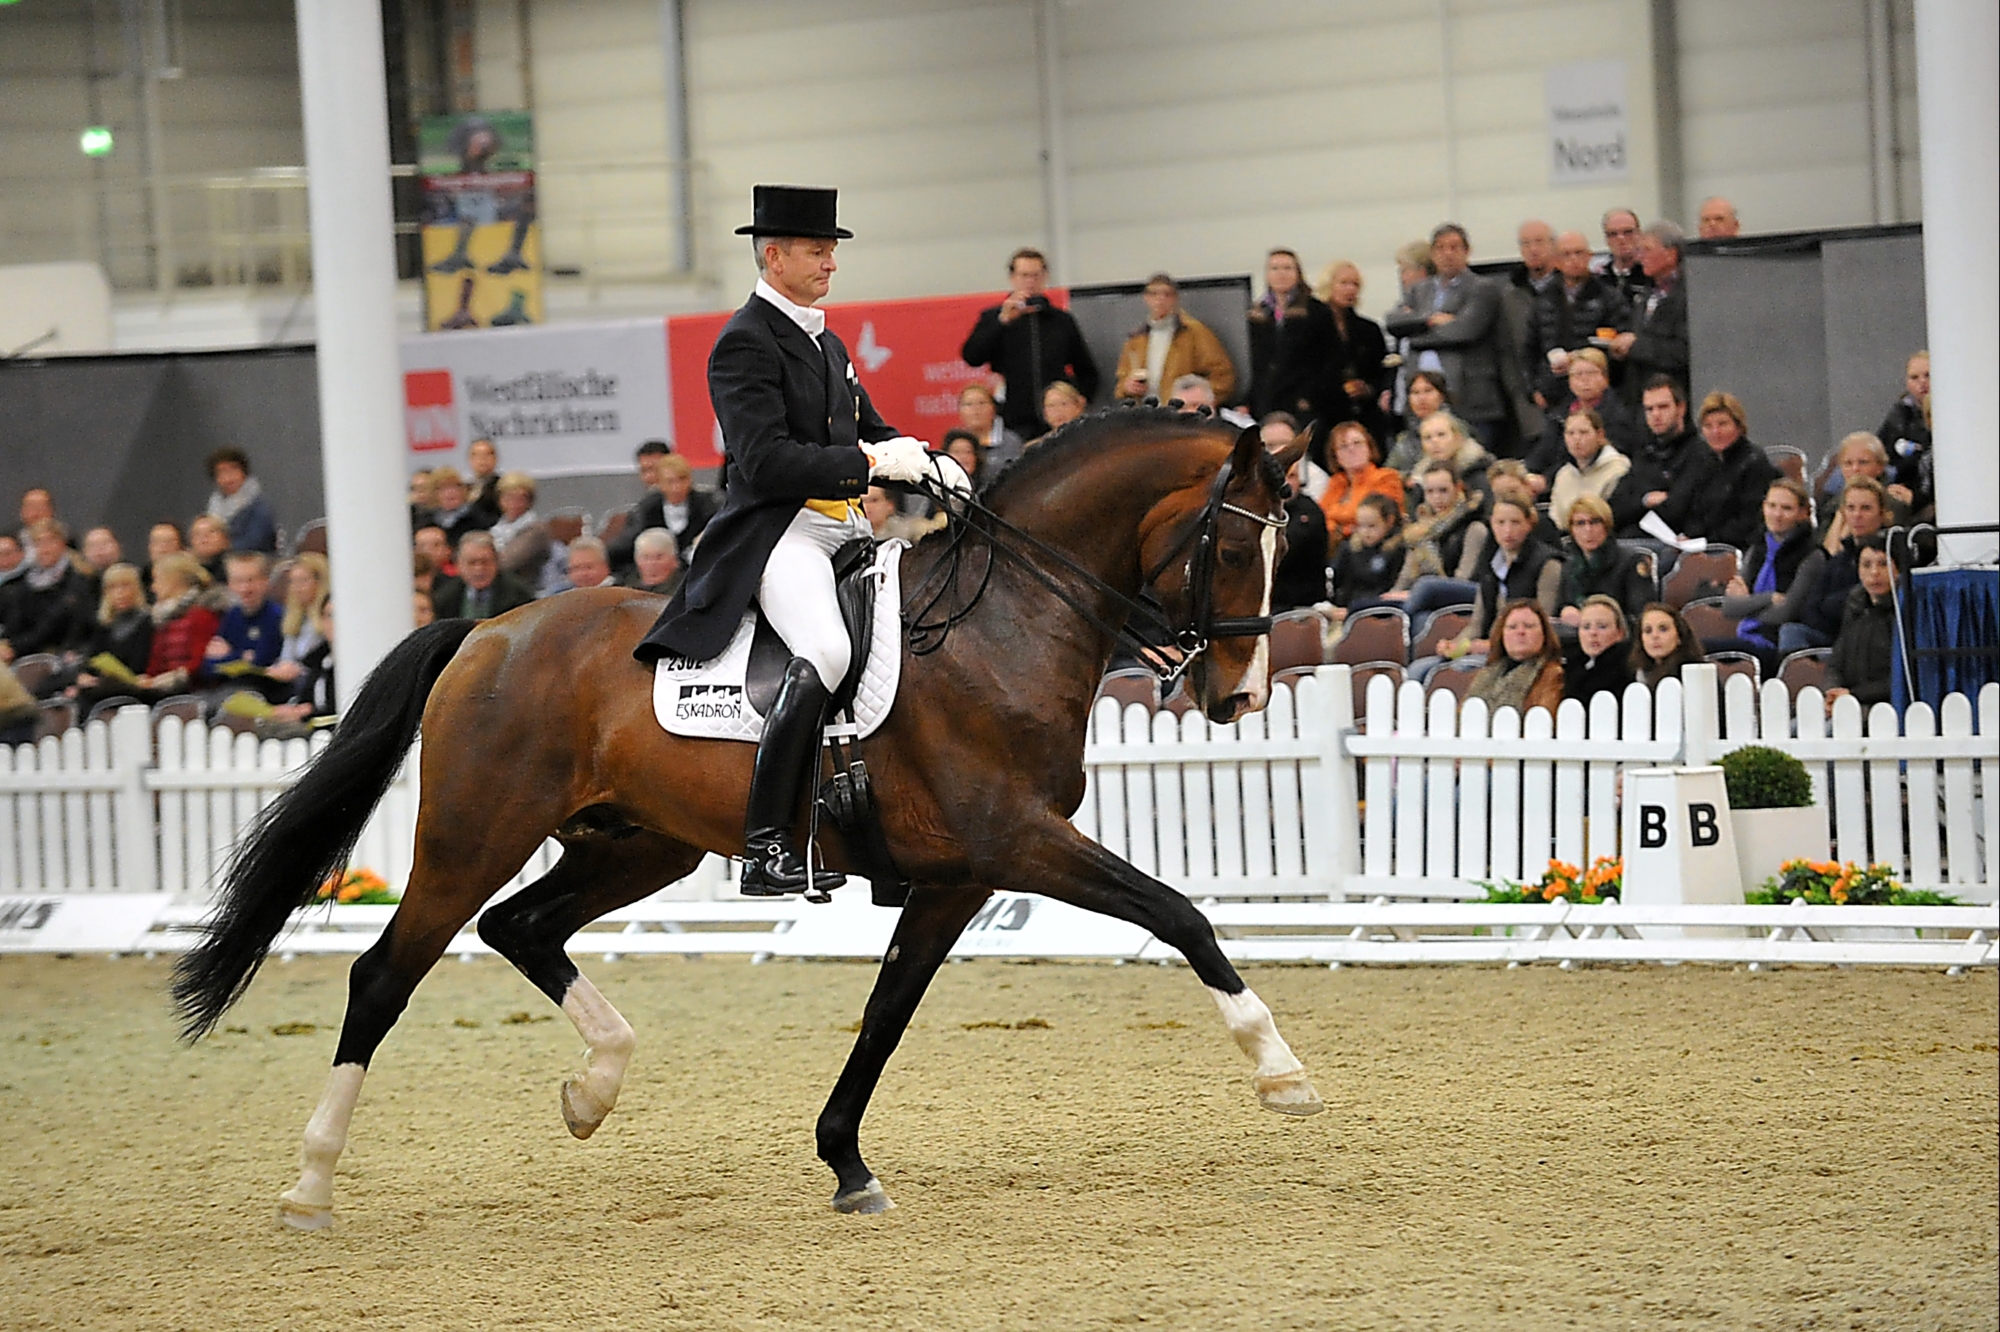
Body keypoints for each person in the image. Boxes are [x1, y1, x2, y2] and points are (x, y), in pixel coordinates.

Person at [634, 185, 960, 898]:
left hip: (848, 529)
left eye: (833, 251)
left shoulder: (827, 340)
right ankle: (766, 844)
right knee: (827, 650)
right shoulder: (743, 343)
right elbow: (767, 461)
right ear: (774, 255)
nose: (831, 264)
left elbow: (867, 429)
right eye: (818, 251)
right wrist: (876, 465)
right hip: (781, 532)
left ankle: (880, 831)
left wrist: (928, 461)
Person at [1384, 224, 1508, 453]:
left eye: (1454, 247)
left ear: (1467, 251)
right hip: (1423, 403)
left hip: (1469, 399)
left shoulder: (1483, 288)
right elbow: (1393, 322)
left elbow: (1464, 330)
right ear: (1432, 254)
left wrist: (1415, 333)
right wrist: (1430, 320)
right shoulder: (1418, 290)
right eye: (1440, 248)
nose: (1447, 253)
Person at [960, 246, 1100, 439]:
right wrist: (1002, 322)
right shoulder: (994, 317)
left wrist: (1078, 399)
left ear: (1045, 277)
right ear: (1013, 278)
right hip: (1012, 419)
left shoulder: (1061, 320)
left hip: (1055, 418)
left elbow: (1087, 370)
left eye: (1035, 275)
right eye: (1024, 275)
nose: (1030, 282)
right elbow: (972, 356)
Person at [1433, 496, 1564, 669]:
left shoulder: (1548, 564)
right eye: (1500, 523)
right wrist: (1455, 645)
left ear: (1529, 524)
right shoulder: (1489, 563)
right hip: (1487, 647)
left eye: (1515, 522)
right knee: (1420, 668)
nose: (1507, 530)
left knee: (1460, 668)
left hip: (1521, 654)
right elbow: (1476, 624)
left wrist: (1490, 646)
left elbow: (1542, 627)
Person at [1654, 390, 1779, 551]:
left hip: (1732, 548)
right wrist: (1688, 536)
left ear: (1739, 426)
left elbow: (1748, 522)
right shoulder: (1704, 460)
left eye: (1722, 424)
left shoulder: (1754, 463)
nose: (1715, 432)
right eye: (1708, 426)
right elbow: (1693, 509)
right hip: (1698, 543)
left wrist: (1704, 540)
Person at [1714, 478, 1818, 663]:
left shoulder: (1812, 555)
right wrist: (1768, 598)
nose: (1777, 514)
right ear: (1763, 507)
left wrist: (1746, 603)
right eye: (1772, 506)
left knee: (1702, 650)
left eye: (1786, 508)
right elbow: (1729, 608)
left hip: (1775, 643)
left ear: (1802, 513)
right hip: (1745, 637)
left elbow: (1785, 613)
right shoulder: (1757, 548)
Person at [1787, 475, 1891, 653]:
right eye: (1851, 508)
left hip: (1870, 642)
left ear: (1882, 514)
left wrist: (1828, 605)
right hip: (1832, 638)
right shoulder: (1839, 559)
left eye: (1866, 508)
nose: (1857, 515)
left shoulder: (1889, 556)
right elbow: (1809, 608)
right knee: (1791, 631)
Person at [1529, 231, 1631, 406]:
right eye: (1566, 254)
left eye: (1579, 253)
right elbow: (1530, 349)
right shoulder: (1543, 299)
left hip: (1599, 394)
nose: (1573, 259)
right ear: (1556, 261)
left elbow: (1620, 347)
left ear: (1590, 256)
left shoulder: (1609, 297)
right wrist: (1534, 389)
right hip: (1553, 394)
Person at [1245, 248, 1337, 437]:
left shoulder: (1317, 311)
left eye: (1287, 268)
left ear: (1298, 273)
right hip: (1267, 401)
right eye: (1275, 268)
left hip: (1304, 402)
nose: (1281, 274)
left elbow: (1332, 358)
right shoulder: (1257, 314)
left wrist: (1310, 397)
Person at [1525, 349, 1643, 488]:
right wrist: (1526, 471)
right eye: (1577, 374)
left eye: (1591, 373)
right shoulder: (1560, 413)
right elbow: (1544, 450)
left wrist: (1547, 480)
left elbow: (1593, 458)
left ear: (1605, 379)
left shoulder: (1617, 415)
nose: (1584, 379)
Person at [1113, 273, 1236, 405]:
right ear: (1146, 298)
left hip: (1182, 416)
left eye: (1167, 294)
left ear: (1176, 298)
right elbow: (1121, 382)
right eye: (1154, 294)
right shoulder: (1136, 339)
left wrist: (1197, 401)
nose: (1160, 300)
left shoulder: (1195, 333)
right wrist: (1127, 387)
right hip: (1146, 415)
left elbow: (1223, 377)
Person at [1387, 460, 1488, 616]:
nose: (1436, 498)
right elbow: (1405, 578)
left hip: (1460, 600)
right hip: (1423, 599)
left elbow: (1463, 579)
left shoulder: (1473, 527)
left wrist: (1414, 593)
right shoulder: (1420, 531)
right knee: (1368, 606)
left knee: (1425, 587)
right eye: (1430, 492)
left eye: (1443, 490)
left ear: (1457, 488)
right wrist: (1390, 597)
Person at [1610, 376, 1702, 537]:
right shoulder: (1644, 453)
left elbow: (1676, 510)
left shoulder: (1699, 452)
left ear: (1681, 408)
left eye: (1663, 407)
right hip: (1634, 540)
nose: (1656, 415)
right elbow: (1614, 508)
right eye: (1649, 409)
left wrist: (1637, 505)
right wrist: (1645, 500)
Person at [1609, 221, 1689, 403]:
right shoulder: (1645, 295)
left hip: (1673, 397)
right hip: (1639, 398)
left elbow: (1683, 352)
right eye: (1639, 251)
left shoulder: (1688, 297)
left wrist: (1635, 346)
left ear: (1671, 254)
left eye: (1647, 250)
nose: (1640, 257)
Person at [1314, 260, 1392, 441]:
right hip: (1324, 413)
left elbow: (1381, 369)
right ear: (1329, 285)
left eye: (1355, 284)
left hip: (1364, 413)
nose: (1350, 289)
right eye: (1344, 283)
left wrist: (1369, 388)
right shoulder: (1311, 327)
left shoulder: (1369, 329)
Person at [57, 563, 154, 701]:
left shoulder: (146, 622)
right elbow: (92, 658)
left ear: (137, 588)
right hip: (104, 686)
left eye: (125, 585)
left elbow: (138, 667)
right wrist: (83, 676)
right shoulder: (105, 625)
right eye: (113, 587)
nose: (120, 592)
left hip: (131, 689)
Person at [610, 455, 718, 575]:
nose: (677, 487)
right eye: (670, 481)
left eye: (682, 479)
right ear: (659, 483)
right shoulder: (648, 509)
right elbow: (627, 543)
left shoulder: (708, 506)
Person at [1, 521, 92, 660]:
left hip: (58, 653)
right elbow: (16, 620)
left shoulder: (79, 581)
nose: (44, 549)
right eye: (38, 543)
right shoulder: (25, 582)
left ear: (62, 544)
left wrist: (15, 647)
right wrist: (6, 644)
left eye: (50, 542)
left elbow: (52, 626)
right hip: (23, 650)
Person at [1555, 495, 1651, 627]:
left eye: (1594, 522)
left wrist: (1595, 620)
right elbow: (1560, 606)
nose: (1588, 530)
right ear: (1571, 530)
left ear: (1606, 525)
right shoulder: (1569, 563)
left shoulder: (1631, 561)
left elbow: (1642, 615)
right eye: (1580, 523)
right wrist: (1565, 610)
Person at [1825, 539, 1897, 710]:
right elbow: (1835, 663)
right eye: (1866, 565)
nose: (1874, 572)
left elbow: (1900, 678)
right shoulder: (1855, 607)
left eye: (1883, 564)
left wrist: (1852, 694)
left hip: (1881, 707)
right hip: (1847, 701)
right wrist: (1832, 692)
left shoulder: (1904, 614)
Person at [200, 551, 284, 694]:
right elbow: (207, 667)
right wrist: (241, 656)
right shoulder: (231, 616)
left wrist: (228, 655)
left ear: (265, 581)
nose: (245, 588)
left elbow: (260, 662)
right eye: (238, 581)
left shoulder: (276, 616)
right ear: (230, 584)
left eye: (251, 580)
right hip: (229, 689)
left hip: (264, 692)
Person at [1466, 599, 1564, 717]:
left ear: (1544, 633)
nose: (1520, 632)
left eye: (1528, 626)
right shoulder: (1485, 674)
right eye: (1512, 627)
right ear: (1501, 634)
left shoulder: (1552, 675)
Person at [1269, 436, 1330, 613]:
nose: (1285, 482)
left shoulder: (1309, 513)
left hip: (1300, 605)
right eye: (1280, 475)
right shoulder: (1258, 510)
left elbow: (1282, 552)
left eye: (1292, 476)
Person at [1317, 422, 1404, 541]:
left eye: (1357, 443)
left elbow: (1368, 516)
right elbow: (1319, 519)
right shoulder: (1335, 482)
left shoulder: (1387, 477)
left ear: (1369, 447)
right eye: (1343, 446)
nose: (1351, 449)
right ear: (1336, 457)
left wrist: (1337, 521)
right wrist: (1344, 528)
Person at [1547, 410, 1632, 530]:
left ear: (1600, 435)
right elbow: (1555, 519)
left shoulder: (1617, 469)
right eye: (1570, 433)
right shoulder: (1563, 474)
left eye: (1584, 432)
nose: (1576, 439)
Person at [1326, 494, 1404, 622]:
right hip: (1345, 609)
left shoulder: (1397, 550)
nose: (1365, 532)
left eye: (1372, 526)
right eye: (1360, 526)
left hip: (1377, 613)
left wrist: (1352, 610)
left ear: (1389, 521)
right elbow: (1337, 580)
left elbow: (1390, 590)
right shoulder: (1349, 548)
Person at [1817, 433, 1913, 536]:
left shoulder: (1893, 502)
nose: (1855, 469)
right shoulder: (1830, 504)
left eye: (1863, 462)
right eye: (1848, 463)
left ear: (1880, 466)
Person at [1875, 350, 1931, 513]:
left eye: (1928, 375)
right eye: (1914, 377)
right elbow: (1881, 453)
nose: (1922, 382)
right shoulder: (1899, 414)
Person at [431, 530, 535, 620]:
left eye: (485, 562)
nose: (479, 569)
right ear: (458, 565)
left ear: (496, 563)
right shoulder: (445, 598)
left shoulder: (519, 595)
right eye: (471, 563)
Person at [1404, 410, 1491, 509]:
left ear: (1458, 437)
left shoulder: (1477, 472)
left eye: (1441, 435)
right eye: (1427, 438)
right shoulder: (1420, 478)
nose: (1434, 441)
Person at [204, 447, 278, 553]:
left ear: (244, 473)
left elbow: (254, 543)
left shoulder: (259, 508)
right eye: (222, 472)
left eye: (233, 470)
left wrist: (219, 548)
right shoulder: (213, 508)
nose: (228, 478)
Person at [1564, 595, 1634, 704]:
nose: (1593, 633)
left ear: (1620, 633)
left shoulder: (1628, 669)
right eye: (1586, 627)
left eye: (1602, 626)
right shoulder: (1569, 669)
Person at [486, 471, 554, 582]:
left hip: (526, 588)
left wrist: (484, 562)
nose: (514, 503)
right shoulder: (497, 527)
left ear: (530, 501)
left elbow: (507, 562)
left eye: (521, 498)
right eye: (509, 497)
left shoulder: (536, 530)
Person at [1381, 369, 1453, 474]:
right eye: (1415, 392)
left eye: (1428, 391)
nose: (1421, 398)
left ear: (1441, 396)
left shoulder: (1457, 429)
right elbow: (1389, 474)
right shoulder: (1405, 441)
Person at [956, 382, 1025, 473]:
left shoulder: (1011, 442)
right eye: (968, 404)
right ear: (960, 411)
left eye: (981, 403)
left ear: (993, 408)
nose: (976, 409)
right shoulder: (955, 443)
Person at [1631, 603, 1704, 687]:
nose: (1655, 635)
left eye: (1663, 629)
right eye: (1648, 631)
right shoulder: (1638, 675)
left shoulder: (1695, 673)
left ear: (1679, 636)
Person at [1596, 207, 1652, 308]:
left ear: (1639, 235)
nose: (1621, 239)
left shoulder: (1651, 275)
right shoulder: (1599, 279)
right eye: (1613, 234)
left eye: (1628, 232)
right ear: (1606, 239)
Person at [426, 466, 492, 549]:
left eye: (455, 487)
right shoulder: (429, 520)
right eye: (443, 488)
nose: (450, 492)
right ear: (434, 494)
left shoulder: (476, 517)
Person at [622, 528, 684, 597]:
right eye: (646, 558)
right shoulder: (625, 588)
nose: (652, 564)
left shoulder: (685, 589)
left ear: (674, 560)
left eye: (659, 558)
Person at [465, 438, 504, 522]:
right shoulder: (465, 488)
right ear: (470, 460)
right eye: (476, 455)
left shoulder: (502, 487)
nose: (482, 459)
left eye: (487, 454)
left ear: (495, 458)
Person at [188, 514, 232, 584]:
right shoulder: (187, 573)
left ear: (225, 539)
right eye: (197, 534)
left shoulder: (235, 570)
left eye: (212, 531)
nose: (204, 537)